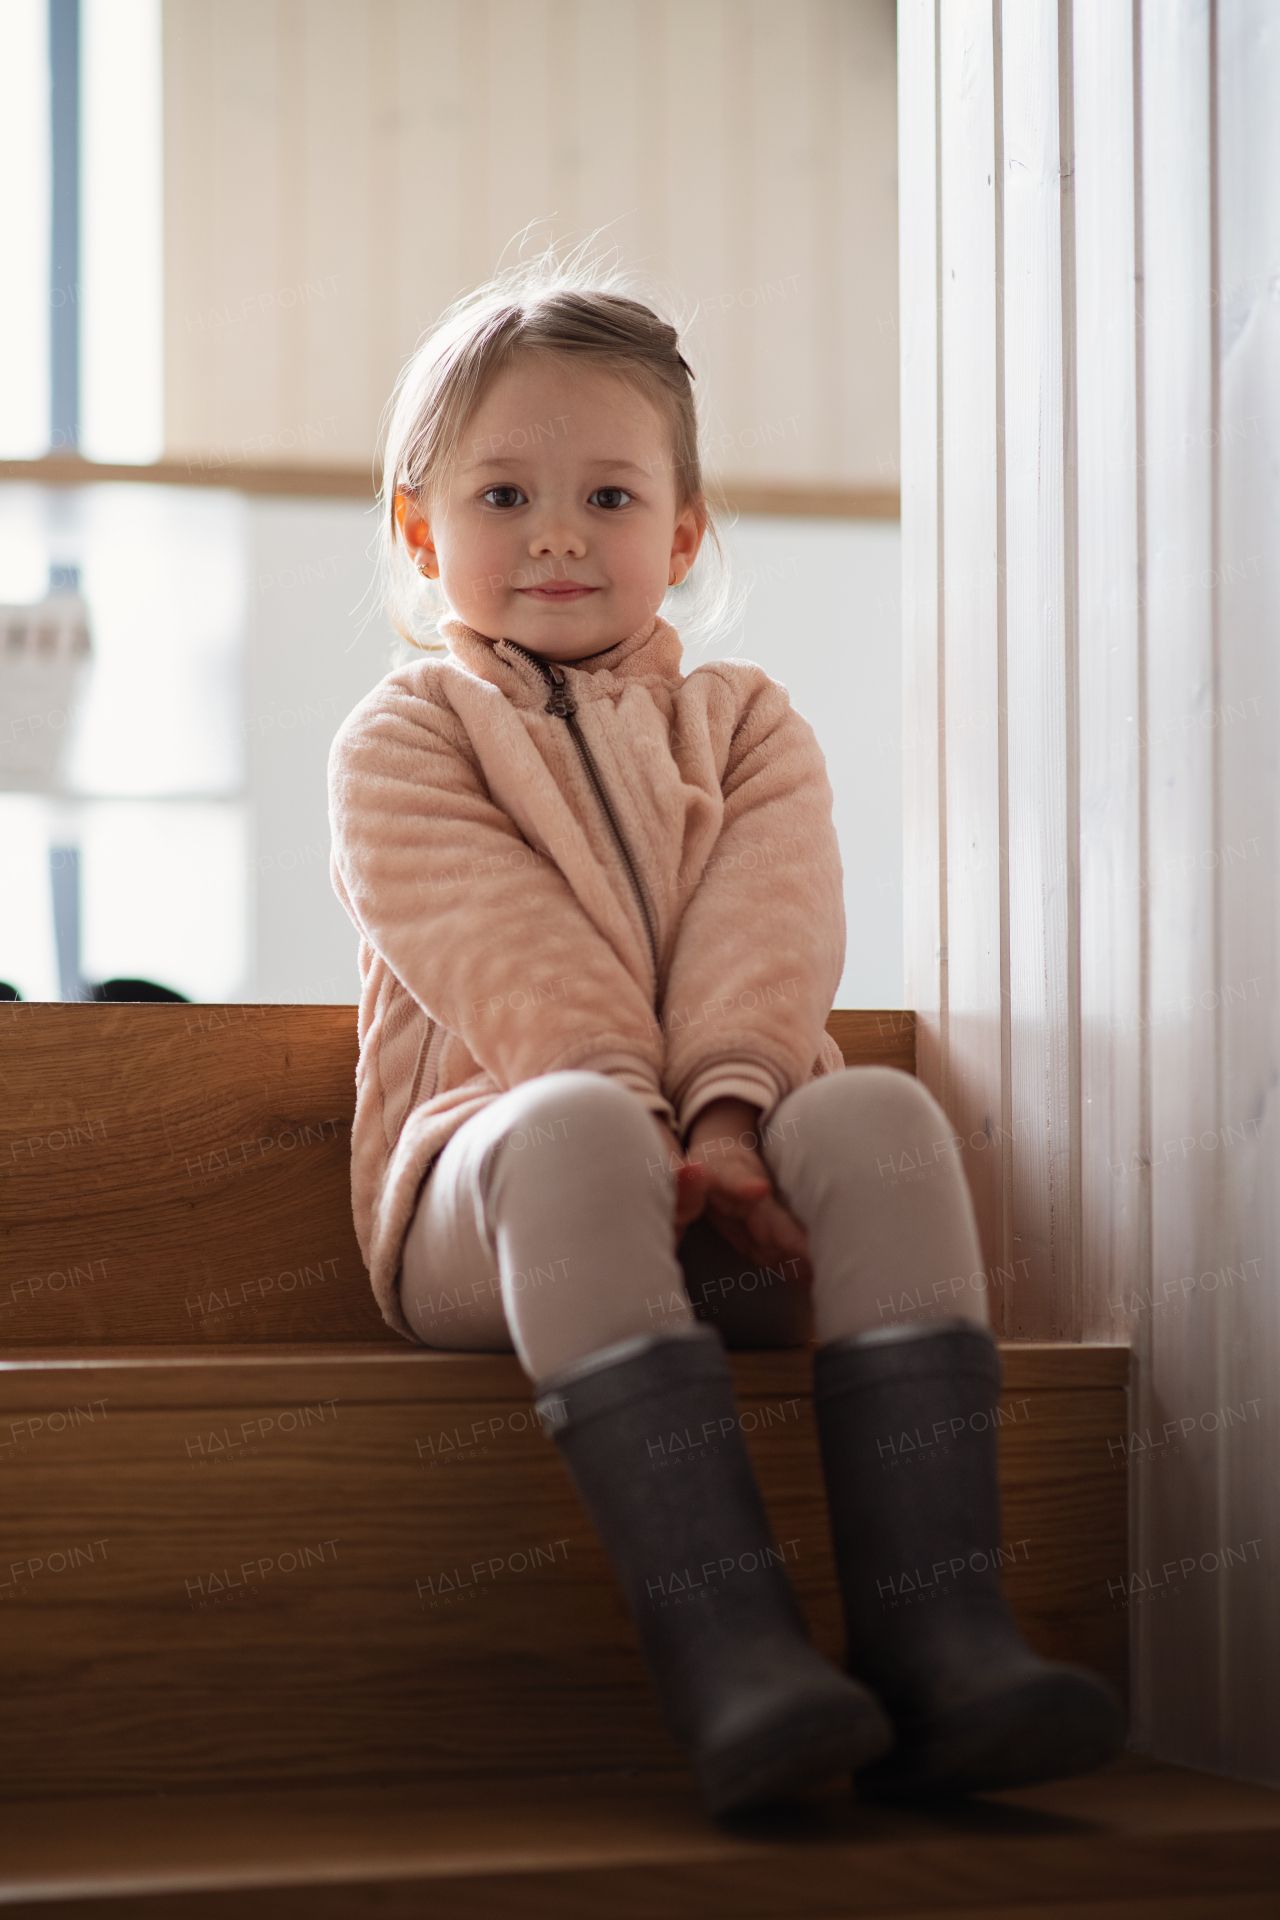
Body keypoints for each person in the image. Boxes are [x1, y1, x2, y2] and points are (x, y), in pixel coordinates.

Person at [327, 263, 1123, 1818]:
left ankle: (945, 1644)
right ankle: (734, 1660)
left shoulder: (749, 725)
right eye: (504, 492)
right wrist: (647, 1119)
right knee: (567, 1124)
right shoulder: (404, 740)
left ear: (681, 535)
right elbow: (513, 965)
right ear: (425, 532)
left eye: (610, 494)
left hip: (736, 1186)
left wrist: (738, 1124)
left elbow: (772, 935)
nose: (558, 532)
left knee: (881, 1110)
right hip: (501, 1209)